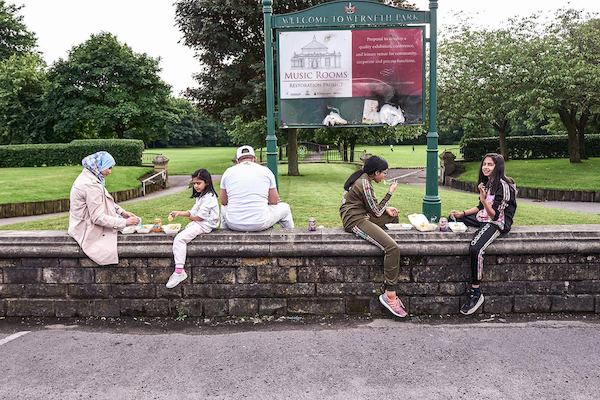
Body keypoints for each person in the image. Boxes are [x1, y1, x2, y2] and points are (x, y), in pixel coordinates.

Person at [449, 153, 517, 315]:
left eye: (490, 165)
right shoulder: (489, 182)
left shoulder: (503, 186)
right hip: (485, 216)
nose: (486, 167)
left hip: (497, 222)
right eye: (484, 164)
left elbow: (495, 215)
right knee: (451, 219)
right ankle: (457, 218)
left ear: (497, 167)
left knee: (475, 248)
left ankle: (476, 291)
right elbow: (480, 207)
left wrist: (484, 198)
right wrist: (462, 213)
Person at [340, 155, 407, 318]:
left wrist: (386, 210)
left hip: (362, 215)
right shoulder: (364, 184)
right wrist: (389, 193)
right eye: (384, 173)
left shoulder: (363, 178)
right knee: (392, 248)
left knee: (392, 216)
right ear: (376, 172)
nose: (385, 176)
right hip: (355, 220)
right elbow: (376, 212)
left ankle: (382, 239)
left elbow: (372, 208)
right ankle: (390, 295)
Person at [68, 151, 140, 265]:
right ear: (99, 165)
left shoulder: (91, 177)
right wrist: (125, 222)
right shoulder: (90, 185)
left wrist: (122, 212)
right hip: (85, 229)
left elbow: (104, 199)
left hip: (81, 223)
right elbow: (97, 218)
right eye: (109, 168)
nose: (110, 172)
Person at [166, 169, 219, 289]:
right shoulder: (202, 196)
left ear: (207, 183)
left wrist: (191, 217)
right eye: (194, 183)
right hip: (200, 223)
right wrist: (178, 213)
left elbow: (199, 218)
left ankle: (179, 272)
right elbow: (193, 211)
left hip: (205, 225)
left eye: (198, 183)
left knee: (179, 239)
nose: (195, 186)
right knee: (184, 232)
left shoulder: (209, 198)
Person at [220, 145, 294, 231]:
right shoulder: (266, 171)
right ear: (255, 159)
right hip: (260, 222)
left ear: (237, 161)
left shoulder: (228, 172)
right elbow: (274, 201)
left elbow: (224, 201)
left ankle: (224, 234)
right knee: (285, 208)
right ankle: (290, 236)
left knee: (223, 208)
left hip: (233, 223)